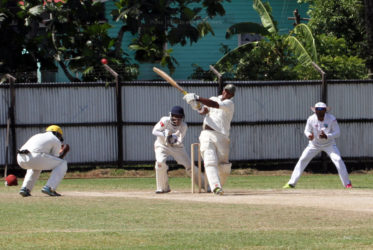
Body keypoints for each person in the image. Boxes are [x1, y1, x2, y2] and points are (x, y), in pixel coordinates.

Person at [283, 102, 352, 189]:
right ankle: (291, 183)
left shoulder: (331, 119)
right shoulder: (311, 119)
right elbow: (306, 130)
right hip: (314, 144)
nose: (319, 112)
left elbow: (337, 133)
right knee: (303, 159)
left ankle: (347, 184)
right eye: (317, 110)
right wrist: (309, 136)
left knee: (338, 160)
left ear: (325, 110)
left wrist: (327, 136)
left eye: (321, 110)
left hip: (329, 144)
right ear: (315, 110)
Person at [183, 84, 236, 195]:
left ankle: (219, 185)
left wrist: (197, 97)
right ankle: (215, 187)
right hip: (207, 133)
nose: (226, 93)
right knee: (209, 160)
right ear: (223, 90)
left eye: (229, 92)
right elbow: (204, 111)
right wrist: (196, 106)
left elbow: (215, 105)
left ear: (232, 95)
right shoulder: (213, 98)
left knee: (224, 168)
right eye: (225, 91)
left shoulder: (229, 104)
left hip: (222, 136)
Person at [152, 106, 207, 193]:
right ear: (171, 116)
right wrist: (164, 133)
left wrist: (171, 137)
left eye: (179, 117)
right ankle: (163, 188)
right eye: (175, 117)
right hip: (162, 145)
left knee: (190, 166)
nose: (177, 120)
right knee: (160, 163)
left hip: (176, 147)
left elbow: (178, 140)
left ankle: (206, 186)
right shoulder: (165, 120)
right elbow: (154, 131)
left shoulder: (183, 126)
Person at [17, 125, 70, 197]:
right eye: (60, 137)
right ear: (57, 134)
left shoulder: (37, 135)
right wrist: (64, 152)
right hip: (35, 157)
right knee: (63, 163)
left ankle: (25, 189)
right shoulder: (55, 139)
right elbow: (57, 158)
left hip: (20, 158)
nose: (60, 139)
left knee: (36, 166)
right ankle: (50, 188)